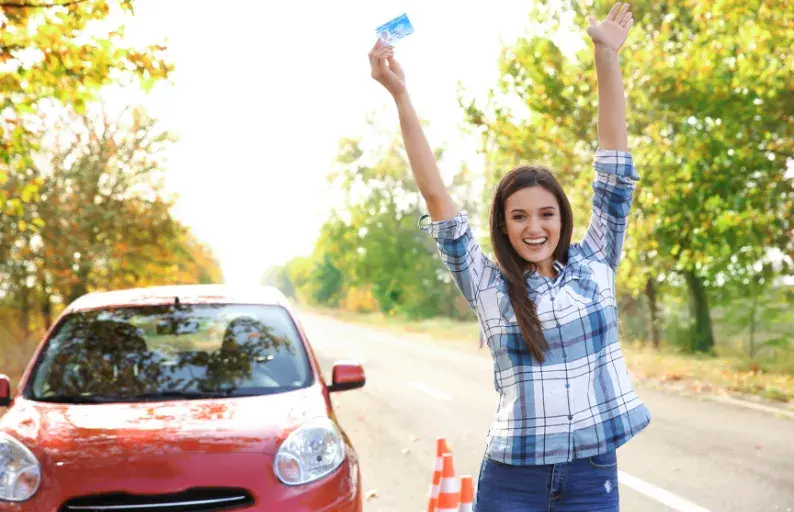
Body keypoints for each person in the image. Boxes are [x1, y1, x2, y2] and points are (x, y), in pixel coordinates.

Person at [368, 3, 649, 510]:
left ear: (562, 217)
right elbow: (436, 199)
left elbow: (613, 162)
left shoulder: (597, 262)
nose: (534, 227)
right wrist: (401, 94)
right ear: (502, 225)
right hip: (512, 478)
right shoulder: (488, 285)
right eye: (518, 216)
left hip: (591, 475)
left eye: (546, 214)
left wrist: (605, 54)